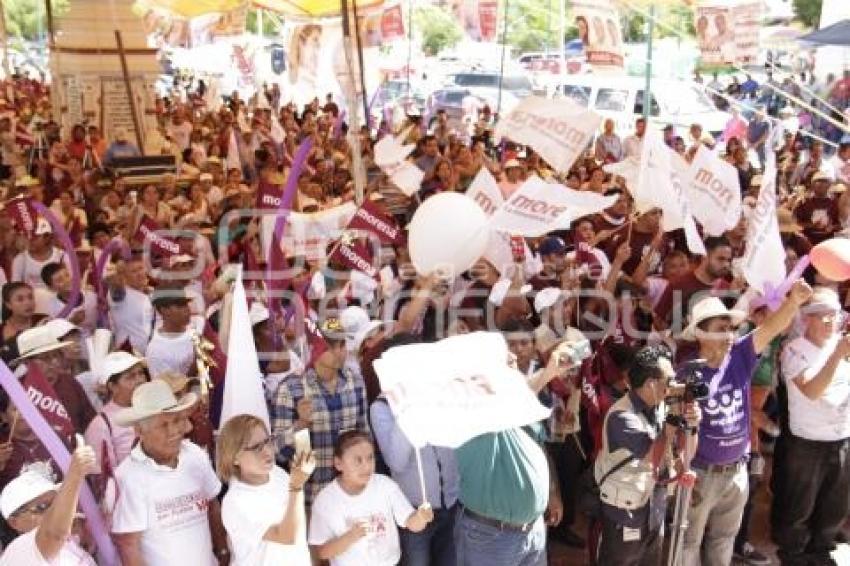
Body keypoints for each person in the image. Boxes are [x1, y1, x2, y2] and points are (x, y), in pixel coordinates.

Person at [680, 280, 812, 566]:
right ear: (701, 335)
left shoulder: (740, 354)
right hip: (701, 475)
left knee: (724, 539)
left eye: (731, 328)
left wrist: (793, 301)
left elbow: (771, 328)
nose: (729, 335)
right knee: (688, 541)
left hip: (737, 471)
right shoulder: (687, 373)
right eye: (720, 329)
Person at [595, 345, 700, 565]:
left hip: (654, 510)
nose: (675, 386)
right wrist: (672, 424)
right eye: (669, 380)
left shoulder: (660, 407)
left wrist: (692, 424)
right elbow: (653, 456)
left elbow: (685, 452)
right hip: (625, 513)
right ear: (651, 383)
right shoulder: (622, 417)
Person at [110, 379, 230, 565]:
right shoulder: (129, 476)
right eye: (163, 425)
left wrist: (223, 552)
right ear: (140, 430)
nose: (174, 431)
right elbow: (129, 546)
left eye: (176, 421)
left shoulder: (195, 455)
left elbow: (213, 505)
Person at [774, 287, 850, 565]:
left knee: (835, 504)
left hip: (842, 437)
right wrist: (837, 355)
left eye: (834, 316)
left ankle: (821, 550)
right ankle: (793, 555)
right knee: (799, 507)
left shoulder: (841, 346)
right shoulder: (793, 351)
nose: (830, 322)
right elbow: (813, 391)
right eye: (822, 316)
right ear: (806, 319)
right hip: (807, 441)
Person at [371, 337, 460, 565]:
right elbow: (397, 462)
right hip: (414, 511)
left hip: (451, 505)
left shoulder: (441, 394)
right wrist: (406, 408)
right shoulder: (381, 408)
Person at [270, 318, 368, 505]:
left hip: (351, 496)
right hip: (311, 499)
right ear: (316, 349)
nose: (342, 352)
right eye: (334, 346)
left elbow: (364, 435)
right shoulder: (291, 389)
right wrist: (301, 425)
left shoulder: (355, 382)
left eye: (343, 344)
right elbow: (278, 452)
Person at [308, 431, 435, 565]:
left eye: (370, 458)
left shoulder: (385, 485)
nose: (366, 466)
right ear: (338, 463)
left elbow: (412, 523)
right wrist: (351, 536)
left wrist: (421, 517)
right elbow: (322, 552)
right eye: (358, 460)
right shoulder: (325, 500)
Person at [218, 414, 316, 566]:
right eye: (256, 447)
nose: (268, 452)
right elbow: (286, 536)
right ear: (234, 457)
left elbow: (298, 529)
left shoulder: (278, 473)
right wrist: (296, 486)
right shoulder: (235, 502)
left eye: (267, 441)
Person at [0, 442, 98, 565]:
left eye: (56, 502)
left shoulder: (70, 540)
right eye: (42, 507)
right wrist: (75, 474)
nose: (53, 510)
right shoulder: (18, 550)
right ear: (14, 522)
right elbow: (54, 534)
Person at [144, 286, 195, 378]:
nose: (187, 309)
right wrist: (196, 364)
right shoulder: (156, 350)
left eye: (186, 304)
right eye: (180, 306)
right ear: (164, 310)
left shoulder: (196, 328)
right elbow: (167, 389)